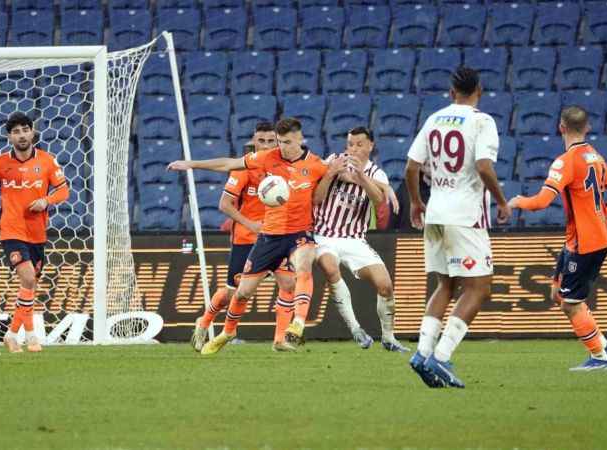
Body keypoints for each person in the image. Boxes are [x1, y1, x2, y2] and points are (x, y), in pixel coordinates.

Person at [169, 118, 347, 354]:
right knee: (240, 292)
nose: (282, 147)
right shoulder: (264, 159)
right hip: (265, 236)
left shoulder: (316, 165)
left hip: (298, 232)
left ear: (300, 139)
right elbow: (228, 165)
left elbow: (318, 198)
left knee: (298, 273)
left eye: (286, 142)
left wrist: (335, 172)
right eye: (280, 142)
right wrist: (191, 164)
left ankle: (295, 326)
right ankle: (225, 330)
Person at [405, 67, 511, 388]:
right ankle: (442, 356)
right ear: (479, 90)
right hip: (466, 216)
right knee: (478, 288)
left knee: (445, 286)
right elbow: (483, 166)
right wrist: (502, 201)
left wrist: (415, 202)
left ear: (452, 93)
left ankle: (422, 353)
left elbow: (411, 166)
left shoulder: (434, 119)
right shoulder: (482, 121)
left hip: (435, 212)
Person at [508, 106, 607, 371]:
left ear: (561, 127)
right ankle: (603, 344)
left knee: (571, 304)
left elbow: (540, 202)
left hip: (586, 243)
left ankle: (599, 357)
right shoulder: (594, 157)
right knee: (557, 293)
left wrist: (517, 202)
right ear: (588, 128)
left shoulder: (566, 161)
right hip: (582, 239)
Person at [190, 122, 298, 352]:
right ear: (253, 141)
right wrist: (251, 224)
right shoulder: (244, 168)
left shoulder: (285, 167)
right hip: (247, 238)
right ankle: (204, 322)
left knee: (289, 283)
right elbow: (224, 204)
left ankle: (280, 340)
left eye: (271, 141)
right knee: (233, 293)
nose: (266, 145)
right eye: (262, 140)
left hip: (278, 237)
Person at [0, 112, 69, 353]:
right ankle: (31, 335)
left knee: (30, 285)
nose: (22, 135)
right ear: (9, 137)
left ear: (33, 132)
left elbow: (63, 190)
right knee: (28, 277)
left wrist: (46, 201)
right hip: (11, 230)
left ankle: (11, 334)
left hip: (37, 232)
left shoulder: (47, 161)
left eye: (25, 130)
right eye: (16, 131)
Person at [313, 126, 408, 352]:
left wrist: (360, 178)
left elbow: (377, 200)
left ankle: (388, 338)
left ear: (370, 146)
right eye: (350, 144)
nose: (353, 149)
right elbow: (317, 197)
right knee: (329, 266)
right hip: (324, 234)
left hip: (355, 239)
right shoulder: (334, 161)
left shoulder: (376, 173)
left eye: (359, 144)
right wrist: (331, 174)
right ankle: (356, 329)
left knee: (385, 286)